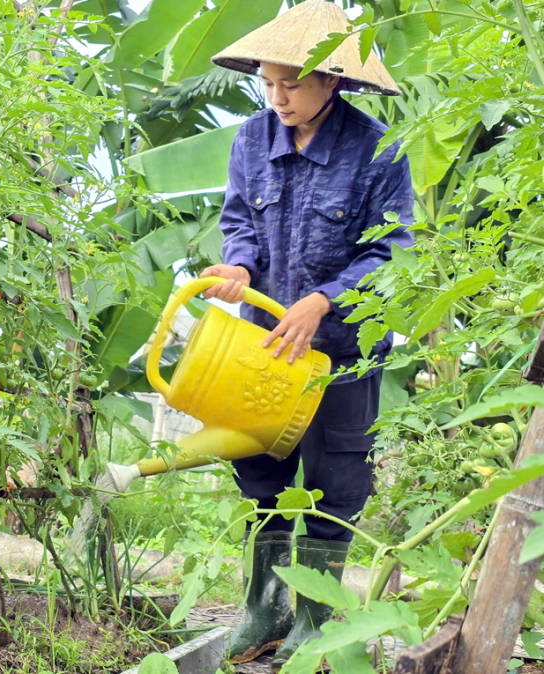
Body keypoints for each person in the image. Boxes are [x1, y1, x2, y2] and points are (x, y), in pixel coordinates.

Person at [198, 0, 414, 668]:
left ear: (334, 82)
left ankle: (315, 620)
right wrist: (237, 263)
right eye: (268, 83)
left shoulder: (380, 149)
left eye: (292, 83)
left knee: (334, 482)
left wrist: (324, 301)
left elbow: (391, 253)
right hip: (265, 347)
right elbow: (239, 223)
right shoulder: (250, 141)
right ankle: (264, 608)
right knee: (260, 473)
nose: (279, 96)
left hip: (342, 355)